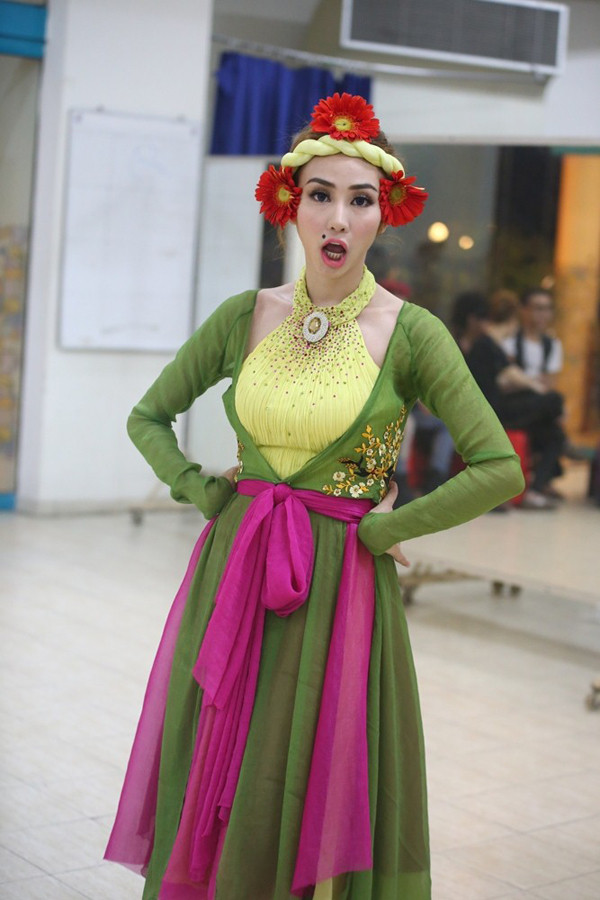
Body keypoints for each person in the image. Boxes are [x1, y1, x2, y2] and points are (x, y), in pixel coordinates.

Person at [105, 93, 524, 900]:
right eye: (320, 195)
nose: (337, 218)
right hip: (237, 567)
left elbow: (497, 465)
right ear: (288, 206)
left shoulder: (411, 332)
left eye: (359, 200)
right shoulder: (245, 316)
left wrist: (386, 529)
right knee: (225, 757)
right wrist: (202, 490)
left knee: (309, 772)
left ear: (383, 214)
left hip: (340, 585)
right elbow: (147, 416)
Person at [466, 290, 565, 509]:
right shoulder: (490, 345)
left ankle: (536, 490)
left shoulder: (492, 345)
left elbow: (515, 375)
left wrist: (534, 387)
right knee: (554, 401)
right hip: (494, 410)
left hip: (509, 407)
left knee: (555, 433)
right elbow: (509, 378)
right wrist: (536, 386)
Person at [502, 287, 563, 388]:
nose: (544, 314)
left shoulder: (552, 344)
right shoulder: (508, 340)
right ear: (523, 309)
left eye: (548, 309)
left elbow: (550, 382)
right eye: (539, 308)